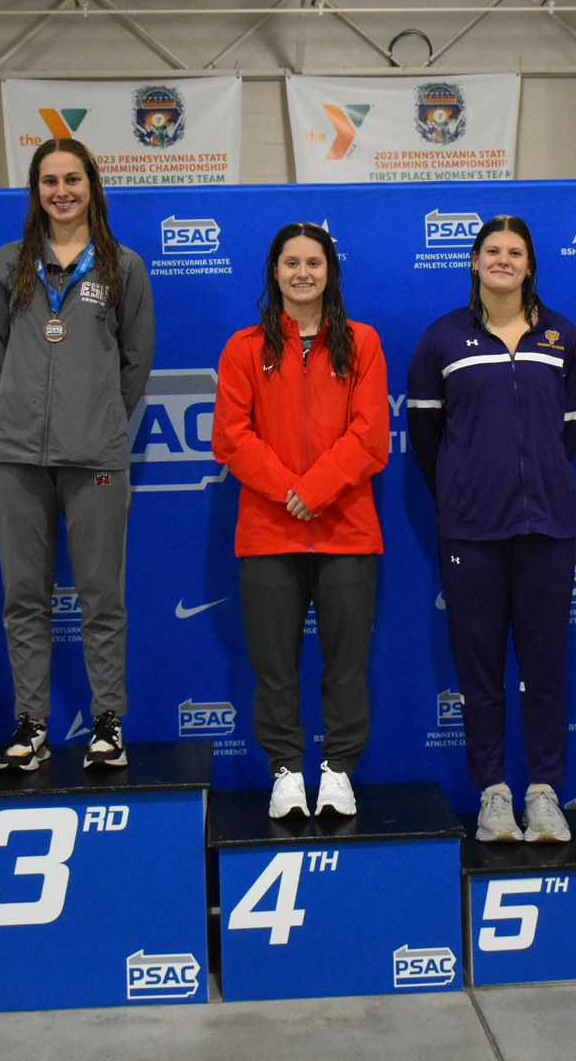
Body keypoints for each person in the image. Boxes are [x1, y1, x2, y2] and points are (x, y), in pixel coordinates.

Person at [406, 215, 576, 843]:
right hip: (471, 530)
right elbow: (427, 437)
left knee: (544, 665)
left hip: (547, 528)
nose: (503, 260)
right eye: (492, 251)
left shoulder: (561, 336)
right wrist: (465, 485)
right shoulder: (442, 339)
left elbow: (568, 432)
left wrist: (537, 481)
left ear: (530, 264)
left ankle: (542, 792)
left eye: (515, 252)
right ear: (475, 262)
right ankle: (493, 794)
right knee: (479, 669)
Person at [0, 138, 155, 772]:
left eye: (73, 180)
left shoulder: (122, 266)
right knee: (23, 596)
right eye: (49, 181)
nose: (61, 191)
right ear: (35, 191)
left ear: (92, 187)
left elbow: (135, 363)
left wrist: (100, 417)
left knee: (100, 596)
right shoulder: (11, 263)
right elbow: (1, 357)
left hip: (97, 459)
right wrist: (30, 409)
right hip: (17, 456)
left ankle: (107, 722)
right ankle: (30, 725)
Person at [214, 223, 389, 819]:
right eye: (291, 262)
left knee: (345, 666)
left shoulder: (362, 342)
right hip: (269, 533)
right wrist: (291, 491)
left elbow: (370, 437)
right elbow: (231, 438)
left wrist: (314, 491)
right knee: (274, 667)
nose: (303, 272)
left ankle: (338, 770)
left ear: (329, 272)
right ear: (275, 272)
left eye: (314, 262)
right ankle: (287, 771)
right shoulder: (244, 347)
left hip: (346, 531)